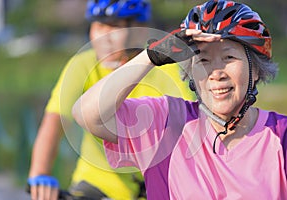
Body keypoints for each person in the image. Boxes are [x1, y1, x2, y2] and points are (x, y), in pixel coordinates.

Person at [72, 0, 287, 199]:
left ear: (256, 69)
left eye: (228, 57)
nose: (216, 72)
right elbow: (88, 113)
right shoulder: (165, 123)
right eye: (203, 60)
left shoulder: (281, 135)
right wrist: (151, 56)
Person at [27, 0, 194, 199]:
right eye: (98, 26)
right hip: (96, 184)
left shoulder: (166, 70)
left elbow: (189, 129)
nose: (103, 37)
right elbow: (54, 122)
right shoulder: (83, 64)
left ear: (139, 32)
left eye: (114, 28)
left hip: (155, 186)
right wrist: (39, 174)